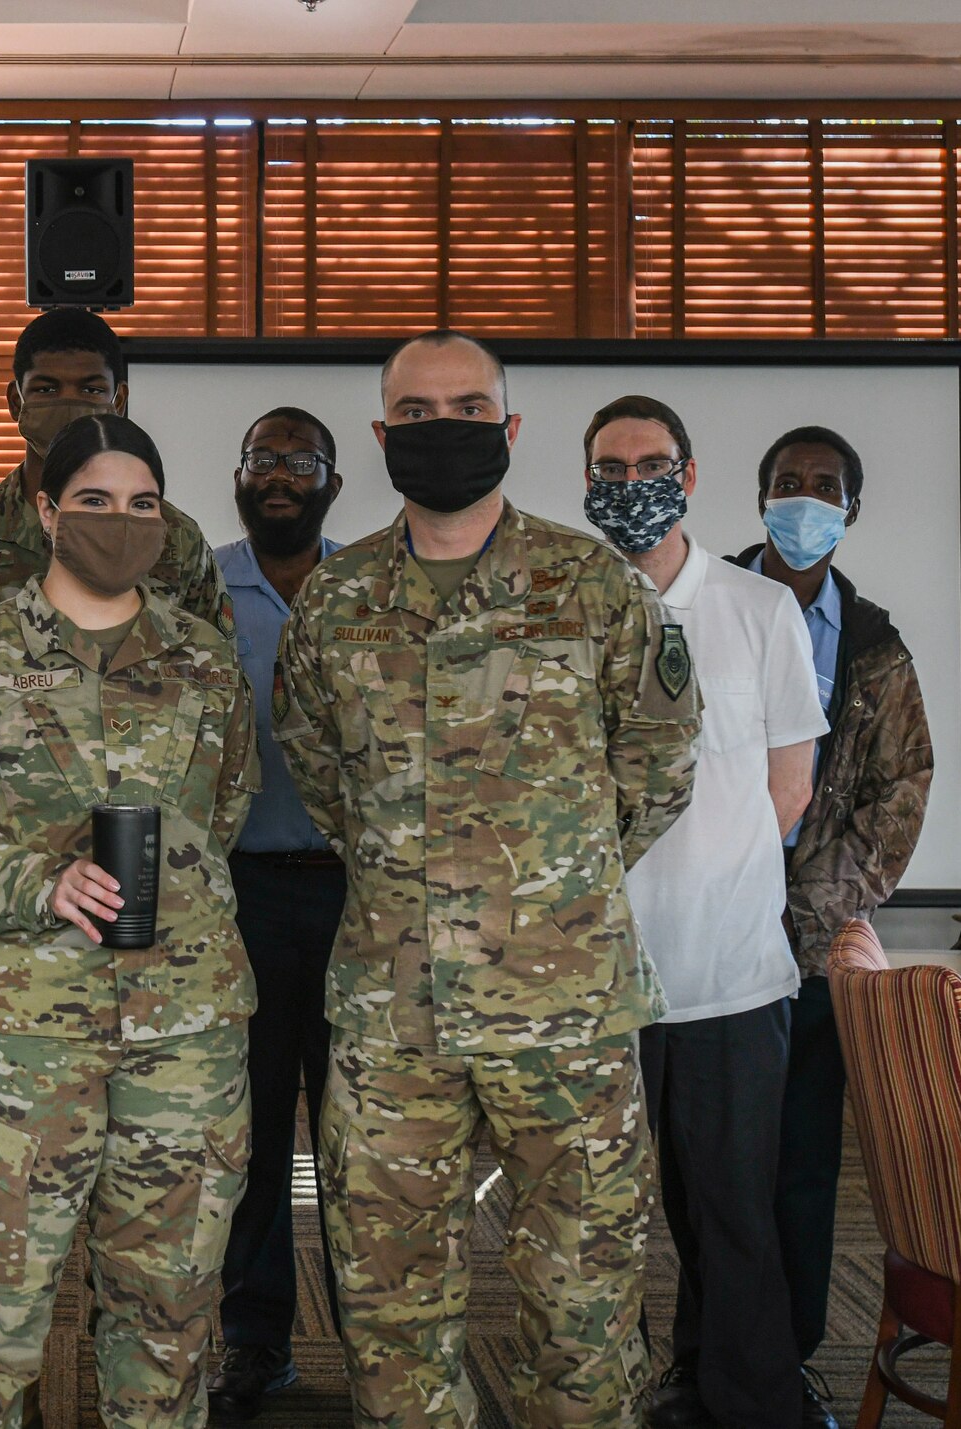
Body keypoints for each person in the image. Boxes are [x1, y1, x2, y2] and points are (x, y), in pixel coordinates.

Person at [276, 330, 701, 1428]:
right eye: (414, 415)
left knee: (584, 1311)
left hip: (564, 1011)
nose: (441, 430)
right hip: (390, 1018)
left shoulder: (588, 584)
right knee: (389, 1314)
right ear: (380, 437)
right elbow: (324, 776)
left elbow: (654, 767)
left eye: (466, 408)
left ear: (508, 429)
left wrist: (545, 886)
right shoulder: (334, 602)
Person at [0, 412, 258, 1429]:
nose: (119, 522)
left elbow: (220, 810)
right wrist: (33, 882)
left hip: (182, 1041)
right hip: (21, 1048)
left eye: (142, 505)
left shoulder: (202, 664)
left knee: (169, 1318)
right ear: (46, 510)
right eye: (92, 501)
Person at [579, 396, 825, 1429]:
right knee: (603, 1219)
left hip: (728, 971)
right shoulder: (564, 606)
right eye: (607, 466)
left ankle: (746, 1396)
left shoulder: (757, 609)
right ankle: (639, 1387)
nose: (628, 482)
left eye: (649, 464)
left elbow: (787, 789)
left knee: (730, 1207)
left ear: (685, 476)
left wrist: (709, 872)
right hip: (595, 977)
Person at [732, 426, 932, 1429]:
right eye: (785, 483)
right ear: (756, 496)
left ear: (848, 510)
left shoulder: (873, 643)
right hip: (699, 938)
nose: (801, 500)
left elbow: (899, 787)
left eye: (822, 488)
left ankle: (787, 1360)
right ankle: (695, 1352)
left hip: (809, 952)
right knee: (698, 1163)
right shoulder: (699, 605)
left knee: (800, 1164)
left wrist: (810, 906)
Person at [206, 406, 345, 1422]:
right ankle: (255, 1343)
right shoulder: (196, 585)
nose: (280, 473)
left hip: (356, 896)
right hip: (240, 893)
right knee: (249, 1133)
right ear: (240, 475)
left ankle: (379, 1338)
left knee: (363, 1134)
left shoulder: (366, 587)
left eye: (300, 458)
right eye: (264, 457)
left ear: (334, 478)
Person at [0, 307, 231, 633]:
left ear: (118, 402)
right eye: (46, 390)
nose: (68, 405)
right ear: (16, 402)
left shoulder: (175, 538)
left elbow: (214, 663)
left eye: (90, 390)